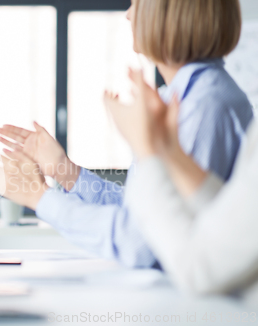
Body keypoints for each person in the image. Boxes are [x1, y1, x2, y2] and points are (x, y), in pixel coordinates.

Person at [0, 0, 253, 268]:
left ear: (168, 14)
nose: (128, 15)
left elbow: (142, 242)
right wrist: (65, 171)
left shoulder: (204, 106)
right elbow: (143, 211)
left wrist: (38, 197)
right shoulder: (190, 97)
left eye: (137, 3)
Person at [105, 69, 258, 306]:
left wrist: (145, 150)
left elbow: (200, 268)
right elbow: (236, 224)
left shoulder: (210, 100)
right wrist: (170, 150)